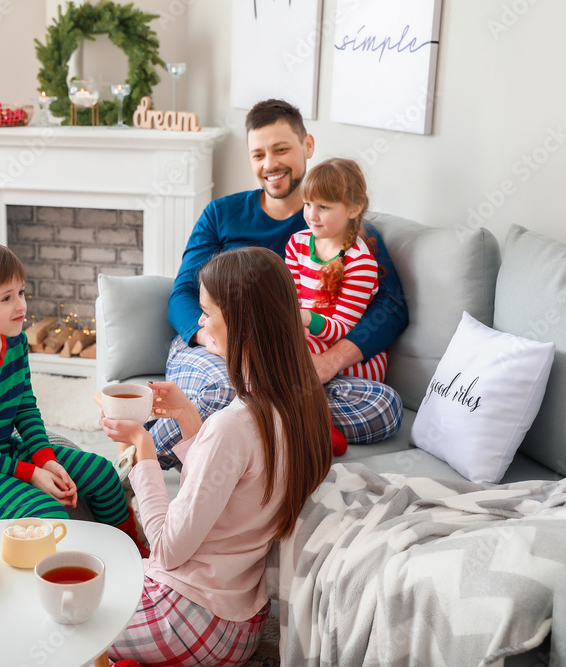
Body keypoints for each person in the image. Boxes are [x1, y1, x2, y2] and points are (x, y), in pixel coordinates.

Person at [102, 246, 333, 667]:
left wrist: (144, 452)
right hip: (240, 623)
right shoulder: (299, 403)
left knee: (58, 621)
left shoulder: (234, 426)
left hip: (187, 618)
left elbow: (168, 549)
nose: (201, 324)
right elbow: (231, 486)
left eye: (207, 313)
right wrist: (190, 417)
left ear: (241, 322)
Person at [152, 99, 407, 469]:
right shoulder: (221, 214)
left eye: (281, 149)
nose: (269, 164)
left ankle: (257, 426)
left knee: (384, 407)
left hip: (292, 366)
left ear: (308, 147)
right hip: (215, 353)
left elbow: (391, 307)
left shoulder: (342, 230)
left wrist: (329, 362)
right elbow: (183, 294)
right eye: (258, 154)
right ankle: (144, 458)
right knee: (225, 389)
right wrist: (213, 341)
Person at [0, 240, 147, 556]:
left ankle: (134, 553)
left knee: (103, 473)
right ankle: (73, 566)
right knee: (49, 514)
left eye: (21, 293)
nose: (21, 306)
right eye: (6, 298)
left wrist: (46, 460)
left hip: (1, 449)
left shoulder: (15, 343)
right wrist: (32, 474)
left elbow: (25, 406)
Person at [287, 157, 388, 382]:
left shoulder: (361, 264)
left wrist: (302, 319)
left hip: (352, 363)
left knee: (282, 353)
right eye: (308, 204)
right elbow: (290, 299)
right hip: (307, 335)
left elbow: (341, 329)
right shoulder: (297, 244)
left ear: (354, 209)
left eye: (323, 207)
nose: (311, 215)